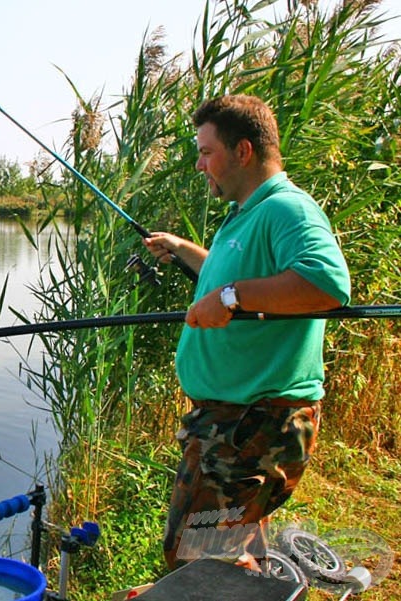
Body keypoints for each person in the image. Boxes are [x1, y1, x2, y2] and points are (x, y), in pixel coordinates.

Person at [142, 94, 351, 571]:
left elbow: (327, 283)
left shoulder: (287, 209)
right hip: (234, 421)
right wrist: (182, 250)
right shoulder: (247, 213)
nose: (200, 164)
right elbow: (229, 277)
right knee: (226, 551)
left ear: (243, 151)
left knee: (196, 560)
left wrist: (231, 297)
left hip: (253, 424)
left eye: (207, 151)